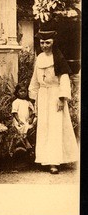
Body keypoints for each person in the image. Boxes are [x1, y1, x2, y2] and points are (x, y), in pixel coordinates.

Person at [28, 29, 78, 174]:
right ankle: (44, 159)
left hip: (56, 95)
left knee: (55, 127)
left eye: (47, 42)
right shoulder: (39, 58)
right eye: (42, 43)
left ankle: (54, 162)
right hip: (43, 95)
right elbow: (35, 78)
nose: (44, 45)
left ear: (53, 42)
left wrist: (62, 98)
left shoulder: (58, 57)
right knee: (44, 126)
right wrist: (33, 96)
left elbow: (63, 78)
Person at [12, 83, 36, 150]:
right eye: (21, 91)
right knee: (23, 125)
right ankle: (25, 139)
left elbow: (33, 112)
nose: (23, 93)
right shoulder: (16, 102)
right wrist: (19, 120)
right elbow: (14, 112)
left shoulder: (28, 102)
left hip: (27, 119)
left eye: (24, 91)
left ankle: (29, 140)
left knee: (35, 121)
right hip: (19, 119)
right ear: (17, 93)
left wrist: (31, 118)